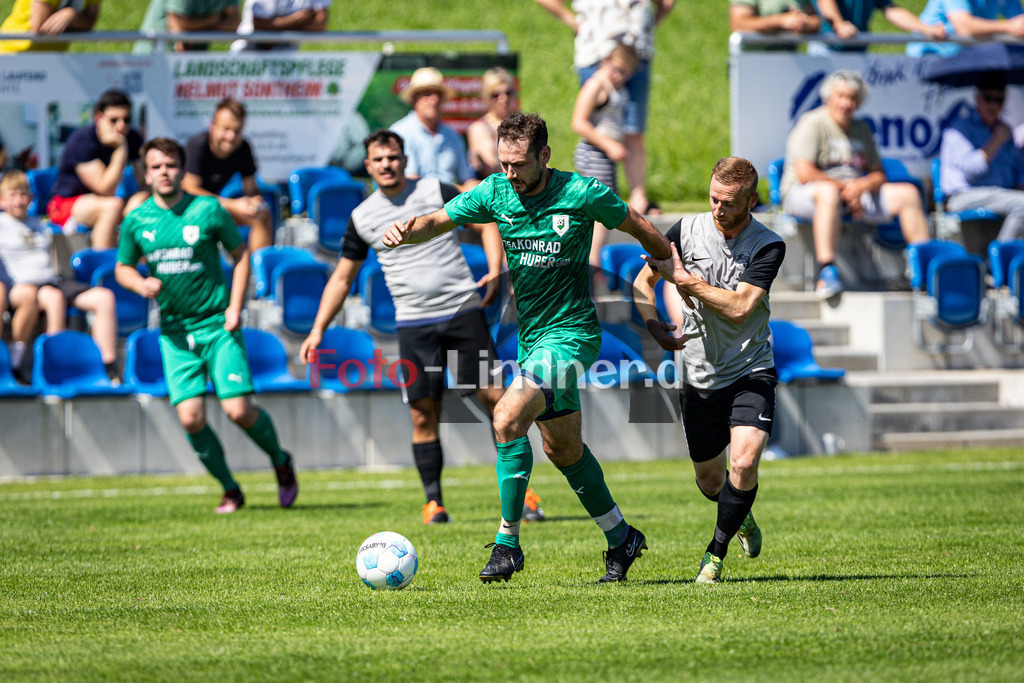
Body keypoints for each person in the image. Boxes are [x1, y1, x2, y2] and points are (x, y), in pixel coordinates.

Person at [382, 112, 671, 583]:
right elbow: (438, 219)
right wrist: (405, 231)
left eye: (519, 164)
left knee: (507, 417)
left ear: (544, 155)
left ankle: (507, 545)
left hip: (574, 334)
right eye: (503, 163)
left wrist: (663, 282)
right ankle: (622, 537)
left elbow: (640, 226)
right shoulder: (496, 191)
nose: (510, 174)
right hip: (534, 339)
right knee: (564, 451)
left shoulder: (581, 192)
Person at [298, 129, 546, 525]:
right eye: (378, 159)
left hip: (462, 313)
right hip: (413, 325)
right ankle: (434, 502)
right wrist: (317, 331)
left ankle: (524, 493)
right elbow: (342, 279)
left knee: (497, 401)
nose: (387, 164)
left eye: (393, 156)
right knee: (422, 413)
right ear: (367, 167)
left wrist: (496, 269)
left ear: (405, 159)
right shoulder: (362, 218)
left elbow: (486, 223)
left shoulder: (436, 189)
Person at [116, 137, 297, 514]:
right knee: (190, 418)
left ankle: (280, 460)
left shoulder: (208, 209)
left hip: (217, 326)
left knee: (237, 411)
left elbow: (242, 256)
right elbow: (122, 267)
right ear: (146, 174)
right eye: (156, 166)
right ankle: (231, 489)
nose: (164, 172)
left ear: (182, 170)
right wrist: (140, 283)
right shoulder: (137, 219)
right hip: (176, 333)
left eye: (170, 165)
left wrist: (235, 308)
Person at [634, 157, 784, 584]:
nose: (718, 208)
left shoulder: (768, 244)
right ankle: (743, 515)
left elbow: (740, 307)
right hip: (698, 373)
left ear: (752, 200)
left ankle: (713, 558)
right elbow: (643, 281)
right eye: (714, 198)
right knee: (710, 481)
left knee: (744, 461)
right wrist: (652, 324)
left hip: (750, 368)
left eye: (729, 202)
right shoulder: (685, 230)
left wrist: (682, 279)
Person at [780, 69, 930, 299]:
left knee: (908, 193)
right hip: (803, 193)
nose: (846, 103)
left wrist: (860, 187)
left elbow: (878, 174)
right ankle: (827, 272)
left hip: (851, 192)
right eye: (841, 96)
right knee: (829, 193)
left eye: (851, 98)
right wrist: (847, 189)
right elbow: (804, 172)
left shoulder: (861, 128)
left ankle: (923, 269)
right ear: (829, 97)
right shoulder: (812, 122)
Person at [534, 0, 675, 216]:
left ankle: (638, 198)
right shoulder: (599, 78)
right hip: (597, 47)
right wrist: (572, 21)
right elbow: (579, 122)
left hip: (637, 49)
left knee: (634, 131)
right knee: (599, 197)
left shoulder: (631, 65)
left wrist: (649, 24)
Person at [0, 170, 119, 382]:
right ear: (1, 200)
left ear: (31, 198)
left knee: (102, 297)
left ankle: (106, 367)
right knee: (35, 295)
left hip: (51, 282)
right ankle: (16, 363)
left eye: (23, 194)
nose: (18, 200)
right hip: (18, 286)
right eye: (12, 195)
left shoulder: (39, 223)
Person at [571, 43, 639, 270]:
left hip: (605, 154)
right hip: (594, 151)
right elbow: (578, 122)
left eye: (624, 72)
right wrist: (609, 144)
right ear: (605, 61)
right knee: (600, 204)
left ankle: (593, 255)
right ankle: (591, 258)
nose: (618, 75)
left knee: (604, 202)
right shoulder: (596, 85)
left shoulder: (614, 84)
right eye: (615, 68)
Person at [47, 89, 144, 249]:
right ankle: (105, 267)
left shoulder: (132, 136)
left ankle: (138, 267)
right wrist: (120, 148)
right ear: (99, 118)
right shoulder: (81, 140)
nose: (121, 126)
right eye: (114, 120)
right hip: (64, 204)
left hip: (103, 201)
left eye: (126, 120)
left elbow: (146, 181)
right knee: (112, 206)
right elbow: (105, 189)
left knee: (141, 203)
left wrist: (139, 198)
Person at [940, 72, 1024, 242]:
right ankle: (1000, 261)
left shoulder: (1004, 130)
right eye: (988, 98)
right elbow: (973, 171)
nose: (993, 105)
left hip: (999, 195)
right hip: (963, 195)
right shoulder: (959, 129)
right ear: (977, 98)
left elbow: (1017, 168)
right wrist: (996, 141)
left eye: (998, 99)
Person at [182, 97, 274, 251]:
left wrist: (255, 202)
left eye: (237, 131)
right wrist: (232, 204)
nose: (231, 137)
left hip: (217, 207)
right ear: (212, 126)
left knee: (262, 213)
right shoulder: (197, 145)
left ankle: (258, 271)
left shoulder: (243, 148)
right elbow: (190, 191)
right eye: (226, 129)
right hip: (187, 211)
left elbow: (251, 189)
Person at [390, 67, 476, 191]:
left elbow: (467, 178)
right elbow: (410, 181)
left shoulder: (452, 135)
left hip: (451, 205)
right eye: (427, 94)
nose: (434, 99)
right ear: (414, 98)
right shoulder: (400, 133)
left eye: (438, 94)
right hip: (414, 206)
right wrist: (459, 190)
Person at [812, 0, 947, 52]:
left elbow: (890, 10)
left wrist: (927, 29)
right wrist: (838, 24)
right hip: (828, 50)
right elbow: (825, 3)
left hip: (858, 51)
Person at [906, 0, 1024, 57]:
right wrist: (1008, 26)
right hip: (927, 58)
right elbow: (964, 27)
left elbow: (1020, 22)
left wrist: (1016, 26)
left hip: (967, 60)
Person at [467, 67, 518, 180]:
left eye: (508, 93)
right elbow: (490, 170)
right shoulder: (479, 128)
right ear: (486, 97)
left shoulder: (521, 125)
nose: (503, 98)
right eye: (495, 95)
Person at [0, 0, 102, 53]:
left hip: (52, 57)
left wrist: (72, 15)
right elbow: (40, 28)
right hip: (13, 52)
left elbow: (89, 24)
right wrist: (72, 18)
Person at [231, 0, 331, 51]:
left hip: (286, 58)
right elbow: (260, 26)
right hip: (249, 52)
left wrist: (277, 25)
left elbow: (319, 25)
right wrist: (300, 19)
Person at [729, 0, 822, 36]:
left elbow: (819, 19)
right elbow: (738, 24)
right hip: (753, 62)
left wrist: (804, 23)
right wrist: (781, 21)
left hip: (791, 65)